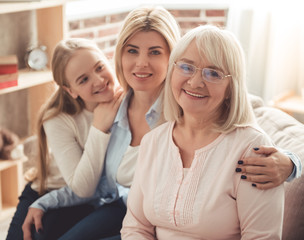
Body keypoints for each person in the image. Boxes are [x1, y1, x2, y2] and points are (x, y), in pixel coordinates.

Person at [22, 5, 301, 240]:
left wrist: (291, 163)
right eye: (132, 51)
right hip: (114, 206)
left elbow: (248, 111)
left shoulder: (189, 99)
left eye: (155, 52)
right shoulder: (111, 103)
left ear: (171, 58)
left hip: (137, 212)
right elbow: (97, 188)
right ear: (119, 55)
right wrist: (46, 201)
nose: (141, 63)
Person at [121, 25, 285, 239]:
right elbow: (135, 227)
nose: (196, 82)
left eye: (213, 73)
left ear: (230, 88)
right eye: (186, 67)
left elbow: (262, 237)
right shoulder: (153, 141)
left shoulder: (251, 148)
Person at [6, 38, 123, 240]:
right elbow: (83, 186)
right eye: (83, 80)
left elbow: (89, 189)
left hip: (88, 200)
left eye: (99, 67)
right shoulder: (58, 119)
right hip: (48, 190)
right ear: (71, 91)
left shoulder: (127, 104)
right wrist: (99, 127)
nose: (98, 80)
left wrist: (99, 127)